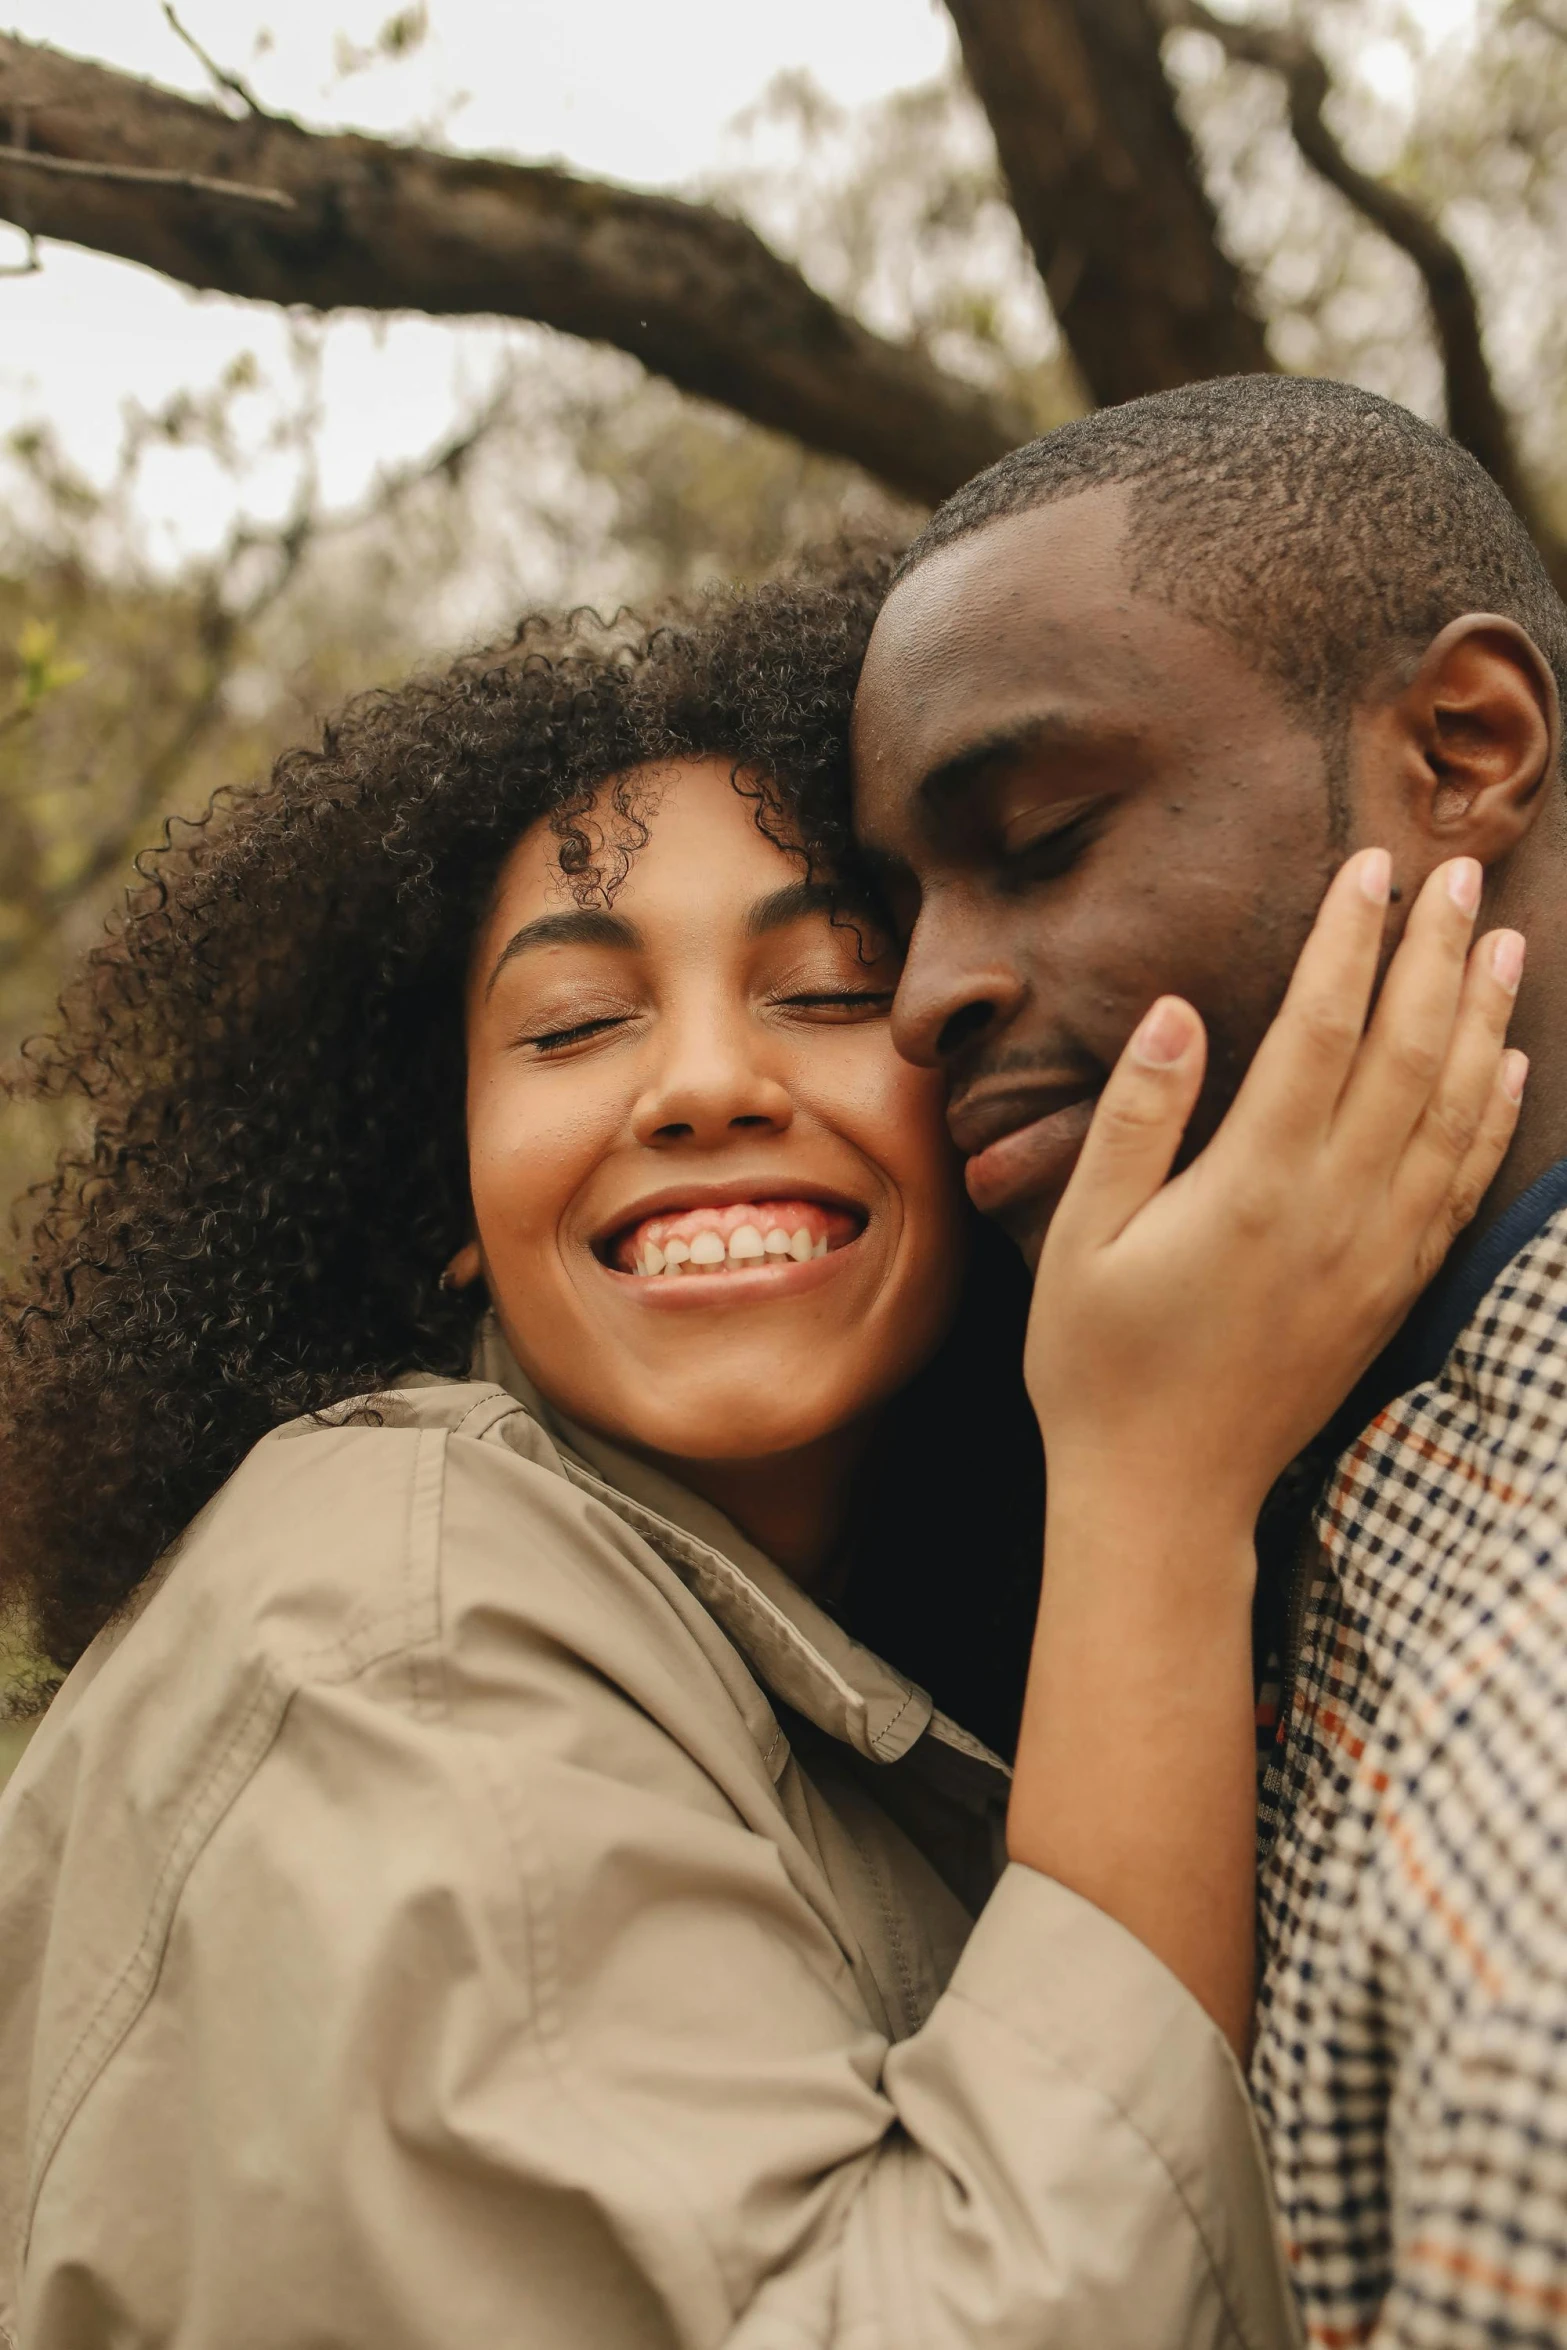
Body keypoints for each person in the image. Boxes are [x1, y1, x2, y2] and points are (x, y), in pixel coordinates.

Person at [0, 564, 1514, 2350]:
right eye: (573, 1026)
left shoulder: (836, 1640)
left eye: (820, 992)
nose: (703, 1081)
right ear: (449, 1200)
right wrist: (1156, 1487)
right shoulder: (383, 1632)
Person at [847, 372, 1567, 2350]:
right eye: (899, 907)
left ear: (1466, 747)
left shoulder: (1525, 1875)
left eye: (1041, 836)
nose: (921, 1000)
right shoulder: (1321, 1462)